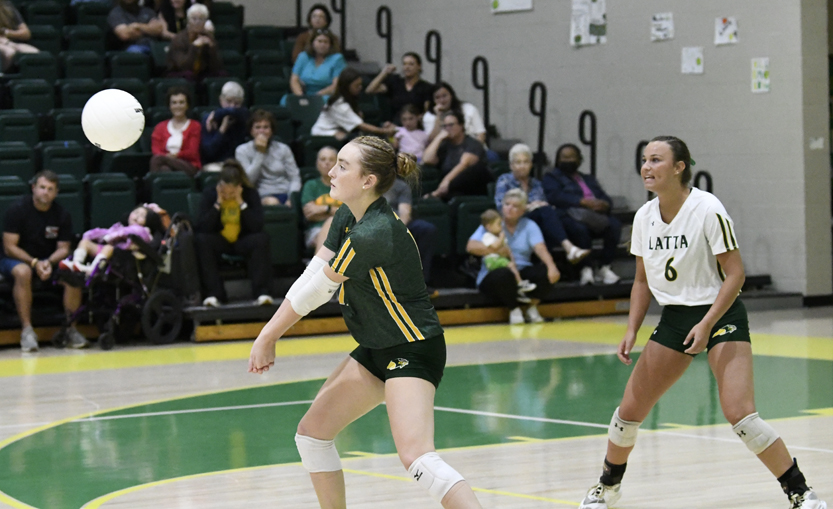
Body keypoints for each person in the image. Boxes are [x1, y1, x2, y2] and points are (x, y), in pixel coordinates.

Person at [577, 136, 827, 509]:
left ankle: (801, 492)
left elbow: (736, 274)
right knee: (628, 413)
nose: (646, 167)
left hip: (720, 313)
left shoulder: (707, 208)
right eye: (644, 160)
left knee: (740, 414)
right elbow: (642, 281)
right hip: (676, 318)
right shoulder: (644, 217)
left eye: (656, 159)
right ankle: (607, 488)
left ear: (679, 167)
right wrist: (631, 329)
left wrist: (708, 323)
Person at [248, 136, 483, 509]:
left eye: (343, 165)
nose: (331, 171)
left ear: (367, 181)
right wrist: (268, 334)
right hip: (376, 345)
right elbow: (312, 274)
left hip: (412, 347)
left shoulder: (373, 232)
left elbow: (319, 291)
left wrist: (267, 336)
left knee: (418, 458)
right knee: (312, 435)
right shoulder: (348, 213)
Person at [1, 171, 87, 352]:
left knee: (73, 273)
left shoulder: (62, 214)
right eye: (42, 187)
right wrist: (34, 263)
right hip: (15, 259)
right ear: (33, 188)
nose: (45, 192)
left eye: (50, 189)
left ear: (56, 193)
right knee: (23, 272)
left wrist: (48, 262)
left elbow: (64, 248)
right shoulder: (17, 210)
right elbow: (9, 247)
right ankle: (27, 331)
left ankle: (70, 329)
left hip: (47, 260)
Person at [466, 189, 559, 325]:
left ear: (522, 210)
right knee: (505, 274)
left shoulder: (529, 225)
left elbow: (540, 248)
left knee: (547, 272)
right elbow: (471, 246)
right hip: (494, 271)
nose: (509, 208)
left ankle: (531, 308)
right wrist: (497, 251)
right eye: (507, 204)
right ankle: (514, 310)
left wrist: (551, 266)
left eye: (515, 206)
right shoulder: (493, 224)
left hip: (521, 270)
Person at [195, 159, 273, 307]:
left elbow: (256, 226)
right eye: (224, 192)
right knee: (202, 240)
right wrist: (217, 204)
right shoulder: (210, 194)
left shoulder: (250, 194)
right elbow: (203, 226)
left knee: (261, 239)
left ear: (239, 187)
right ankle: (214, 294)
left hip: (242, 240)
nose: (228, 195)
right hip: (220, 240)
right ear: (219, 186)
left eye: (231, 192)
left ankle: (262, 292)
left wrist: (241, 203)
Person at [495, 143, 590, 263]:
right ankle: (568, 248)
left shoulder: (536, 184)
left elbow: (543, 203)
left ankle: (551, 264)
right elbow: (501, 206)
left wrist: (537, 206)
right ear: (511, 165)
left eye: (525, 162)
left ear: (531, 165)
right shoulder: (504, 180)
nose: (522, 166)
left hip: (535, 220)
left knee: (555, 217)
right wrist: (529, 206)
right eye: (518, 162)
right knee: (546, 214)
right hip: (515, 220)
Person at [543, 143, 621, 285]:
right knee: (580, 229)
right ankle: (586, 268)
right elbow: (555, 197)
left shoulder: (588, 179)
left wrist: (605, 204)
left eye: (572, 157)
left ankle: (604, 267)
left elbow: (603, 196)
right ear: (558, 160)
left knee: (614, 225)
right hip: (568, 215)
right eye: (564, 157)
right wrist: (581, 202)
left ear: (579, 160)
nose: (568, 160)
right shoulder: (551, 177)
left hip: (593, 215)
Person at [59, 205, 164, 276]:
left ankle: (92, 270)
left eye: (142, 216)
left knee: (109, 248)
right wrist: (92, 234)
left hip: (125, 259)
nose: (137, 217)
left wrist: (113, 236)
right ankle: (76, 264)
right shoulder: (119, 227)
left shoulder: (144, 231)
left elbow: (130, 232)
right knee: (85, 243)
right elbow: (106, 232)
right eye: (136, 213)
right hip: (110, 254)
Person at [382, 163, 438, 296]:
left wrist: (398, 230)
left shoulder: (400, 186)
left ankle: (420, 283)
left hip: (397, 224)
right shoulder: (365, 185)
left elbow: (405, 213)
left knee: (426, 229)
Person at [236, 109, 301, 206]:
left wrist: (292, 198)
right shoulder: (242, 150)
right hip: (260, 195)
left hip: (285, 193)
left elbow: (295, 178)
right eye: (257, 127)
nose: (261, 131)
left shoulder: (283, 149)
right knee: (272, 202)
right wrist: (260, 152)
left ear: (271, 130)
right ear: (251, 131)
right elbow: (248, 180)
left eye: (266, 127)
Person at [310, 67, 397, 140]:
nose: (360, 88)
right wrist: (384, 131)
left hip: (339, 131)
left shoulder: (351, 99)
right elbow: (361, 125)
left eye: (360, 84)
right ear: (347, 87)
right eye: (356, 86)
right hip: (323, 134)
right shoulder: (340, 105)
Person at [421, 110, 492, 200]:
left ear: (461, 125)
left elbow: (464, 163)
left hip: (473, 185)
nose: (448, 128)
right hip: (452, 189)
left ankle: (436, 194)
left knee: (475, 170)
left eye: (451, 125)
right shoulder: (444, 145)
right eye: (445, 126)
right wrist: (438, 138)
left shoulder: (473, 143)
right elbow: (427, 159)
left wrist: (446, 181)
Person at [479, 209, 537, 300]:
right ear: (489, 227)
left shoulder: (500, 237)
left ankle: (518, 291)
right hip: (492, 260)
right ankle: (520, 283)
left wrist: (512, 260)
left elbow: (508, 249)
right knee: (509, 268)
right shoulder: (487, 236)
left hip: (501, 259)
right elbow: (495, 247)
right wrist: (501, 237)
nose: (501, 227)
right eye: (498, 224)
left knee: (512, 268)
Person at [365, 52, 433, 123]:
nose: (407, 67)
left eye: (411, 64)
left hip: (415, 125)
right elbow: (370, 90)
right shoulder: (395, 82)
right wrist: (384, 72)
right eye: (404, 64)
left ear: (419, 66)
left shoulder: (426, 87)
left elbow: (426, 111)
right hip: (396, 124)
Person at [284, 28, 345, 106]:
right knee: (286, 100)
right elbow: (294, 80)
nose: (322, 45)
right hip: (305, 94)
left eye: (326, 42)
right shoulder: (303, 56)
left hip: (325, 95)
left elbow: (335, 85)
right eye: (319, 41)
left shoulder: (337, 58)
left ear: (330, 45)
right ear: (312, 42)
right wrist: (300, 96)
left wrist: (316, 96)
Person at [150, 86, 202, 177]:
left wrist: (176, 155)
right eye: (174, 103)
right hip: (165, 162)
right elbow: (156, 150)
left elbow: (192, 152)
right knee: (164, 169)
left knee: (157, 160)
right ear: (169, 106)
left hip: (188, 165)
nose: (178, 106)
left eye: (181, 102)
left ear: (187, 105)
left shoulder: (195, 126)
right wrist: (167, 157)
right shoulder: (160, 127)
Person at [165, 3, 223, 82]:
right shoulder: (179, 39)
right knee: (189, 75)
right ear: (188, 21)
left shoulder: (208, 37)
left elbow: (217, 66)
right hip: (178, 73)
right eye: (194, 19)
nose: (197, 22)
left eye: (201, 19)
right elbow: (183, 66)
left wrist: (211, 48)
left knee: (221, 74)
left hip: (201, 73)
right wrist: (194, 46)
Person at [200, 80, 249, 172]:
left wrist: (216, 114)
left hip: (237, 163)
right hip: (215, 163)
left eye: (237, 103)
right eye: (229, 101)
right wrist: (222, 129)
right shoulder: (208, 119)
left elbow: (236, 112)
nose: (232, 106)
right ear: (221, 100)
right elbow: (209, 152)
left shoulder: (243, 115)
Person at [301, 146, 342, 252]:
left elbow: (350, 215)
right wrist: (334, 212)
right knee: (329, 235)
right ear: (317, 164)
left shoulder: (345, 186)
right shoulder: (311, 185)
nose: (327, 163)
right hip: (316, 230)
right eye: (323, 159)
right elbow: (309, 214)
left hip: (344, 229)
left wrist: (324, 209)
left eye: (331, 160)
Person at [0, 0, 38, 72]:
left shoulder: (6, 6)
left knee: (34, 52)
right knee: (9, 52)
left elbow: (26, 33)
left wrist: (6, 33)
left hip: (8, 41)